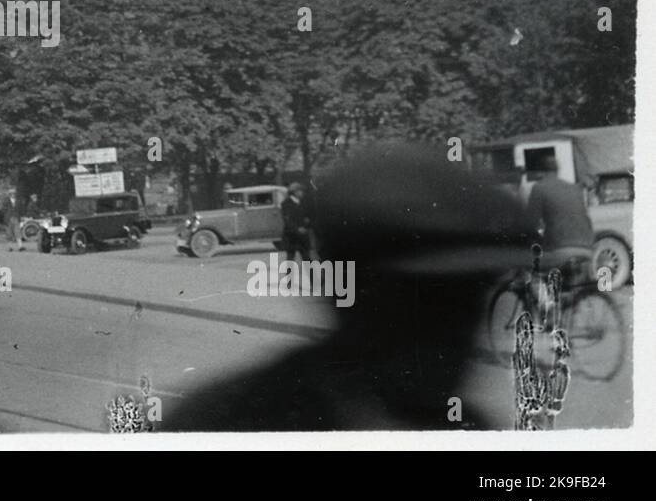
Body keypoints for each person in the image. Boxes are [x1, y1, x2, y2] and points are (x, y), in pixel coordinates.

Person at [165, 142, 534, 431]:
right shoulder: (233, 423)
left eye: (472, 299)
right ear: (349, 297)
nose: (458, 333)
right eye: (428, 304)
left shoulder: (470, 429)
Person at [525, 155, 595, 288]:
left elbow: (530, 223)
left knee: (535, 274)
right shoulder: (574, 188)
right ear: (558, 170)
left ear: (539, 172)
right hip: (587, 247)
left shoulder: (539, 188)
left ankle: (549, 306)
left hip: (560, 250)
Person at [280, 182, 315, 262]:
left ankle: (311, 274)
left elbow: (309, 216)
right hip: (291, 236)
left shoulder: (304, 202)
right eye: (300, 191)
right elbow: (287, 220)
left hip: (303, 236)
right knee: (290, 258)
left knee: (306, 257)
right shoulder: (286, 204)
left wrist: (306, 227)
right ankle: (289, 274)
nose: (302, 193)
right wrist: (297, 229)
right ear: (294, 192)